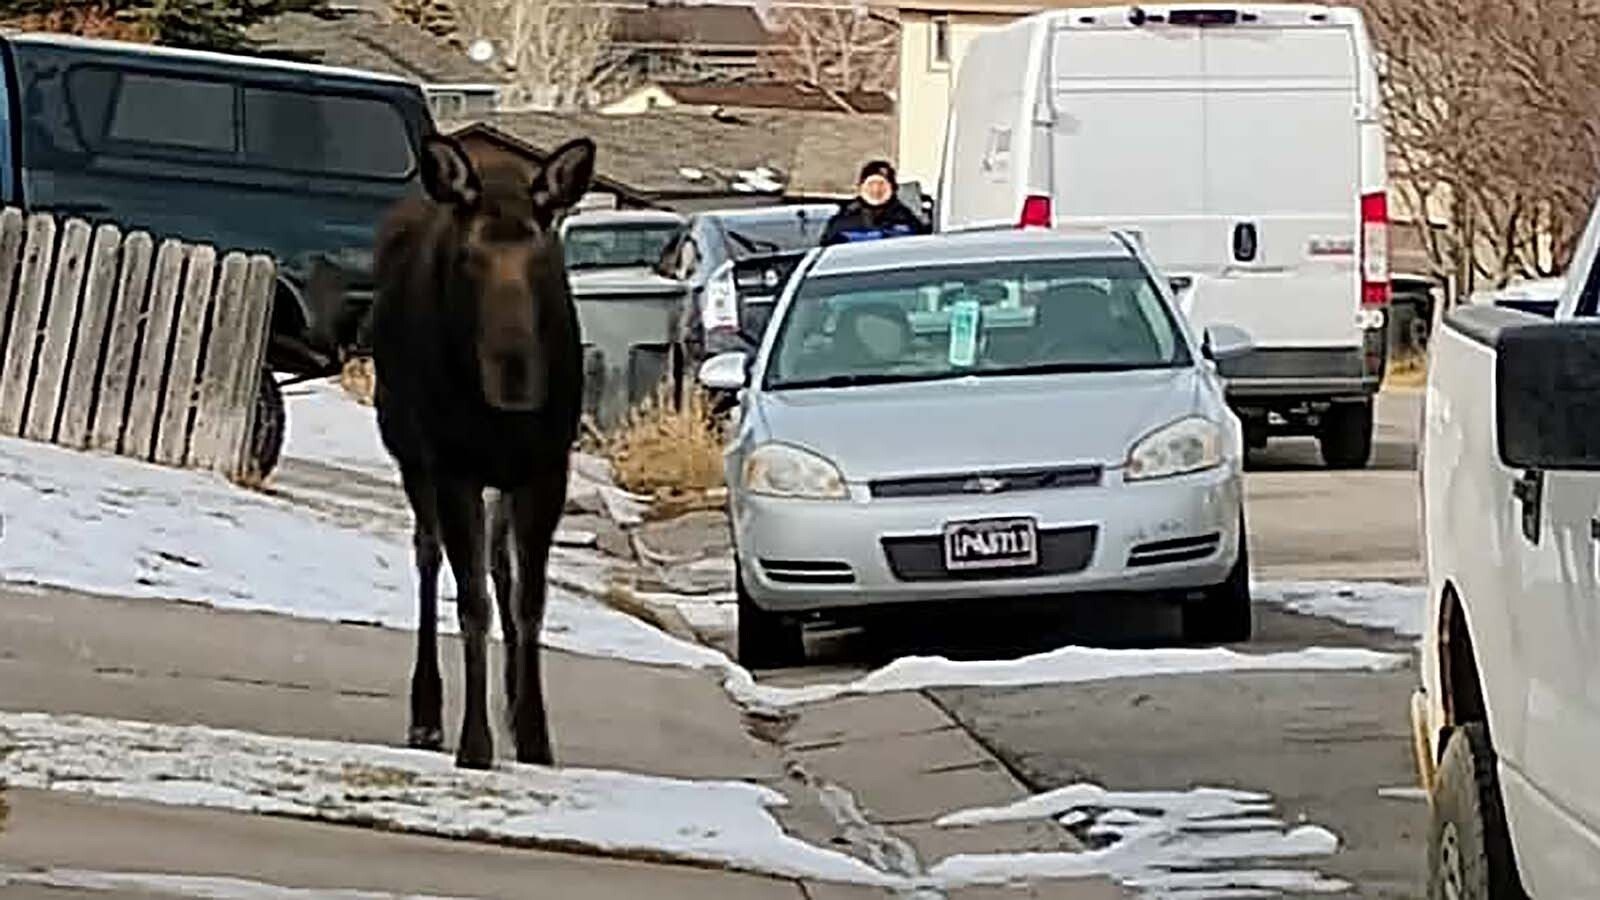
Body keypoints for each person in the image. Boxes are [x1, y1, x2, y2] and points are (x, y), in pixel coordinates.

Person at [820, 160, 930, 246]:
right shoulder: (842, 221)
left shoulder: (908, 220)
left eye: (881, 184)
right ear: (861, 187)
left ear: (893, 188)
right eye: (871, 184)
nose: (876, 190)